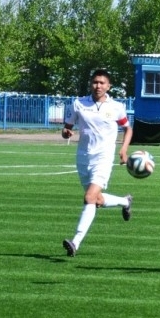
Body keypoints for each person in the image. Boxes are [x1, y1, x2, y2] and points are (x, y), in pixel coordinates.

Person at [61, 69, 134, 257]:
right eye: (95, 82)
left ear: (109, 86)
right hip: (83, 157)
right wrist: (66, 133)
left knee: (89, 197)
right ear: (90, 84)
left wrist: (123, 150)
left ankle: (75, 242)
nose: (98, 86)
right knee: (97, 200)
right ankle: (125, 201)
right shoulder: (78, 104)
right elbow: (66, 128)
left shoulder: (116, 107)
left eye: (102, 83)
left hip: (103, 158)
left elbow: (128, 129)